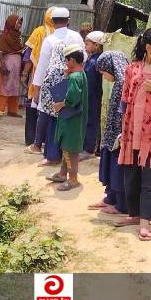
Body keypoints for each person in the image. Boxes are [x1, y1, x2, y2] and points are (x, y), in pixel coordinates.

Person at [114, 28, 151, 241]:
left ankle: (145, 223)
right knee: (132, 175)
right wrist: (122, 131)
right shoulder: (132, 69)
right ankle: (135, 215)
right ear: (149, 47)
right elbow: (125, 100)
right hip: (132, 131)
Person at [32, 7, 86, 166]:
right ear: (68, 20)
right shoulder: (76, 37)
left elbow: (42, 65)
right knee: (69, 117)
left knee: (52, 119)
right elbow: (85, 57)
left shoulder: (49, 40)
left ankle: (52, 156)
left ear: (52, 22)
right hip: (74, 79)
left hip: (54, 83)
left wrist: (37, 88)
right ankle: (67, 157)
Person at [88, 51, 129, 215]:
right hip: (112, 134)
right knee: (110, 166)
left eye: (104, 73)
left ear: (111, 68)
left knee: (117, 168)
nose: (104, 77)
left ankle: (121, 205)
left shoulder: (124, 83)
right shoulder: (119, 82)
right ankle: (110, 198)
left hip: (119, 136)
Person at [47, 44, 88, 191]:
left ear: (71, 60)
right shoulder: (79, 73)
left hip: (72, 118)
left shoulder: (75, 77)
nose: (66, 63)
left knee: (71, 148)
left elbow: (73, 98)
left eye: (66, 60)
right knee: (67, 145)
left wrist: (60, 105)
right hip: (73, 118)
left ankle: (73, 178)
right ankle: (63, 173)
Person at [24, 7, 56, 153]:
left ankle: (31, 139)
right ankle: (45, 141)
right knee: (49, 108)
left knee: (33, 105)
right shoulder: (61, 34)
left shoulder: (38, 32)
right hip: (54, 77)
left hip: (38, 74)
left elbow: (29, 55)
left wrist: (25, 73)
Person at [0, 14, 25, 117]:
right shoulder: (5, 35)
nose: (19, 25)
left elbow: (20, 50)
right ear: (12, 23)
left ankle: (12, 110)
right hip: (6, 64)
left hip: (16, 67)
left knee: (14, 87)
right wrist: (2, 66)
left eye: (20, 23)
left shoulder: (18, 36)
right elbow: (0, 52)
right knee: (2, 86)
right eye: (18, 22)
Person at [81, 30, 105, 160]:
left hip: (92, 96)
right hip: (91, 95)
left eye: (87, 43)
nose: (85, 46)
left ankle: (89, 149)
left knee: (91, 122)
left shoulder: (96, 61)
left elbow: (91, 83)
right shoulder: (93, 60)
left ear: (96, 45)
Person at [22, 46, 37, 145]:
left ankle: (30, 139)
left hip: (35, 78)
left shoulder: (37, 36)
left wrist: (24, 74)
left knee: (31, 108)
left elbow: (28, 60)